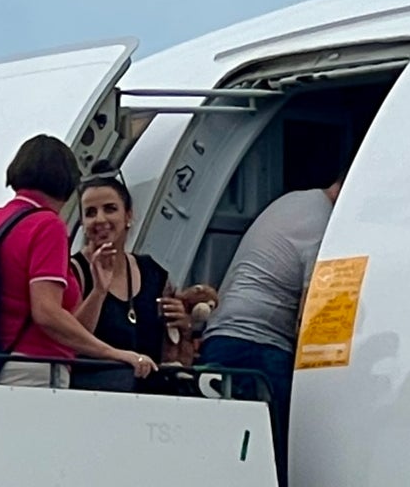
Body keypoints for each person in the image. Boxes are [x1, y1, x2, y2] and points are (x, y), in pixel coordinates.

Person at [0, 136, 154, 388]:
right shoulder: (46, 224)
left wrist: (98, 290)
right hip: (36, 368)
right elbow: (47, 313)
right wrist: (114, 353)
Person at [202, 167, 341, 427]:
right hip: (259, 347)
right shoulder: (326, 225)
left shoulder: (295, 201)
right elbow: (311, 316)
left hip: (221, 336)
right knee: (274, 441)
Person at [69, 172, 188, 384]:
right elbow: (72, 341)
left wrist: (182, 324)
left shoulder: (154, 273)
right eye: (90, 212)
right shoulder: (73, 271)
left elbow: (171, 348)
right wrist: (98, 292)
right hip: (92, 392)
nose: (100, 219)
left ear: (128, 216)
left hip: (149, 395)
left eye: (110, 209)